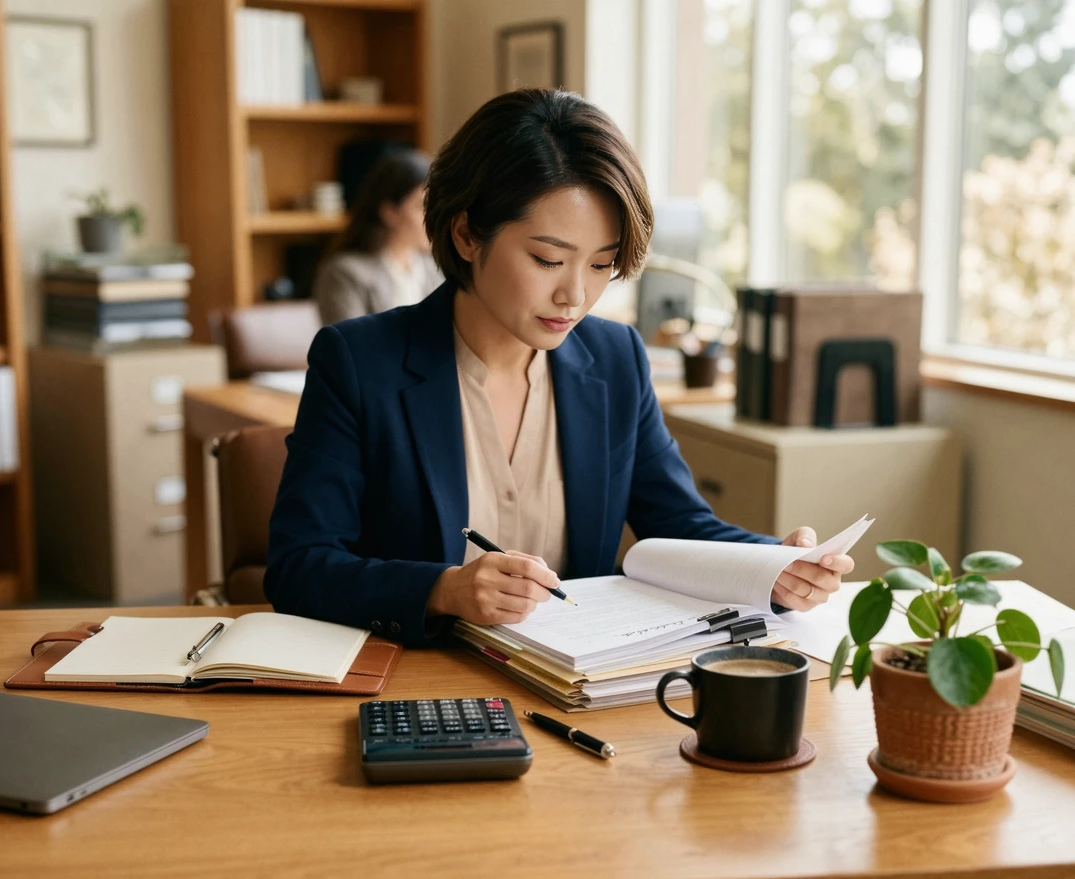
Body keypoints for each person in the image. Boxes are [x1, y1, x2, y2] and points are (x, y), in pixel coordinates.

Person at [266, 89, 854, 647]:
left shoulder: (616, 359)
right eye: (548, 259)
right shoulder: (358, 361)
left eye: (601, 265)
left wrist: (773, 566)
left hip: (578, 680)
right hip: (421, 682)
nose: (575, 296)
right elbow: (298, 566)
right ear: (467, 234)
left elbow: (680, 524)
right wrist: (443, 590)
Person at [313, 148, 444, 325]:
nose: (434, 217)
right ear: (389, 212)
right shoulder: (345, 274)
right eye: (422, 206)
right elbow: (350, 341)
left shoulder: (434, 271)